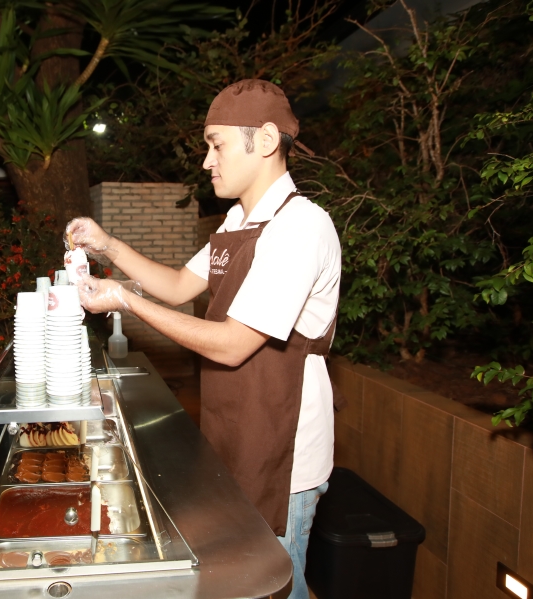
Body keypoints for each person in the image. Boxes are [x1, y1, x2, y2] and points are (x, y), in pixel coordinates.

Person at [67, 79, 341, 599]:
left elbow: (233, 344)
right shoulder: (238, 220)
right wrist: (107, 245)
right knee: (243, 579)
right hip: (235, 425)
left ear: (262, 140)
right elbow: (176, 287)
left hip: (283, 448)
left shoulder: (301, 228)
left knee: (280, 584)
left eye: (215, 144)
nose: (206, 161)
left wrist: (124, 300)